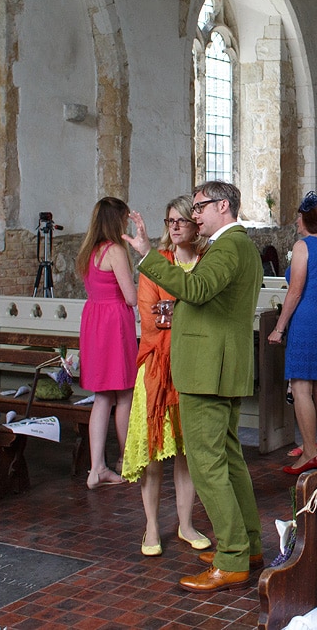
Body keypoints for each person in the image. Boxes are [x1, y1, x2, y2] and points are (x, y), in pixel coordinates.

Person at [127, 180, 263, 593]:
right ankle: (249, 544)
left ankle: (233, 558)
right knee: (229, 460)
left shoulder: (229, 246)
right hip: (218, 368)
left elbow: (197, 289)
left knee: (208, 466)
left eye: (200, 206)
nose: (194, 215)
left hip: (209, 371)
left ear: (223, 205)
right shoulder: (231, 246)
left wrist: (148, 255)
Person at [122, 196, 209, 557]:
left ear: (195, 225)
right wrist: (181, 311)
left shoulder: (206, 265)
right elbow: (150, 317)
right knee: (156, 452)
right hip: (157, 367)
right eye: (170, 220)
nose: (174, 227)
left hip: (192, 367)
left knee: (187, 453)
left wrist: (177, 309)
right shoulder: (156, 264)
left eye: (182, 220)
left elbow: (205, 313)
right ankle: (152, 527)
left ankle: (186, 524)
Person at [267, 192, 317, 475]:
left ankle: (310, 451)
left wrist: (279, 328)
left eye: (300, 217)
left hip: (307, 319)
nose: (297, 222)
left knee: (301, 386)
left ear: (308, 219)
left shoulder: (304, 246)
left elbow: (296, 290)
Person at [76, 196, 137, 491]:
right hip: (114, 323)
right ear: (117, 220)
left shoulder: (89, 250)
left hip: (94, 321)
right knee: (124, 395)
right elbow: (130, 297)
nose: (126, 223)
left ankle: (96, 467)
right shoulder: (115, 251)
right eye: (124, 219)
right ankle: (126, 461)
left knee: (102, 397)